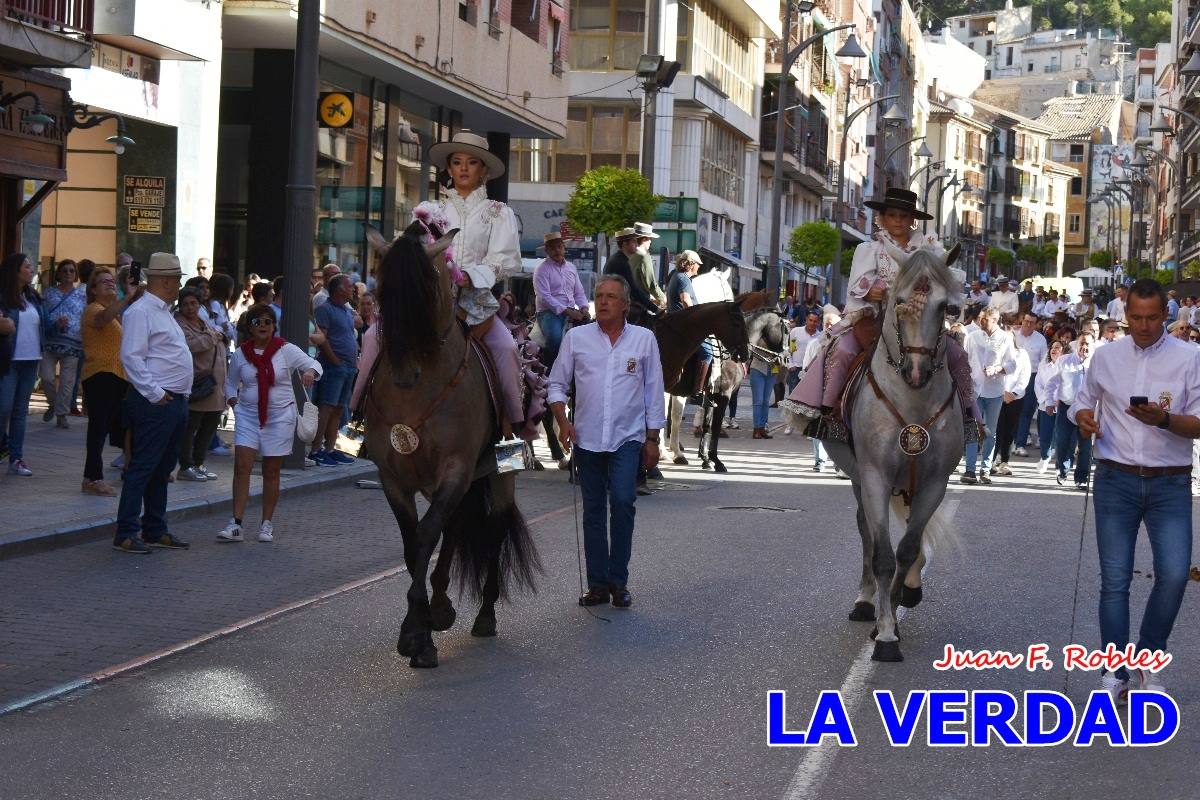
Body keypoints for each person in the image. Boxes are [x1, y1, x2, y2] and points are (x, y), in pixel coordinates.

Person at [1070, 279, 1200, 700]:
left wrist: (1162, 420)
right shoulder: (1106, 357)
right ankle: (1115, 671)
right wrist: (1084, 418)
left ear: (1167, 315)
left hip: (1171, 482)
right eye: (1136, 317)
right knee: (1115, 580)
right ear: (1126, 315)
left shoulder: (1191, 357)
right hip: (1116, 478)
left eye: (1152, 317)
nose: (1143, 326)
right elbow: (1082, 401)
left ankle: (1148, 657)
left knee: (1176, 575)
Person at [782, 188, 978, 433]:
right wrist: (880, 291)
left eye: (904, 216)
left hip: (922, 321)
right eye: (892, 215)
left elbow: (947, 280)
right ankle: (829, 414)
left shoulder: (930, 250)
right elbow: (858, 287)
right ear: (882, 218)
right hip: (874, 318)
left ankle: (969, 417)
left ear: (912, 220)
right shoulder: (869, 249)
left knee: (958, 354)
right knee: (842, 350)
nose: (898, 220)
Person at [547, 275, 665, 608]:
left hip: (628, 438)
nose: (602, 302)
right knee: (594, 511)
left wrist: (653, 438)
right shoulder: (576, 338)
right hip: (586, 439)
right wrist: (562, 421)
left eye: (611, 297)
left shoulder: (644, 340)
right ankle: (598, 585)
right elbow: (556, 384)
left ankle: (619, 581)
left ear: (625, 304)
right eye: (598, 296)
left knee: (624, 502)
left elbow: (654, 391)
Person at [428, 129, 524, 438]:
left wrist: (470, 276)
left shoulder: (498, 212)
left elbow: (503, 260)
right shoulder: (431, 212)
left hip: (477, 306)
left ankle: (509, 432)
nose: (464, 168)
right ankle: (360, 421)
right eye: (457, 162)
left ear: (483, 170)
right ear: (449, 169)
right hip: (431, 302)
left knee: (508, 350)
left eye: (472, 162)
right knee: (377, 336)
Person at [218, 303, 321, 543]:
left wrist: (309, 373)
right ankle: (236, 523)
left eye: (267, 321)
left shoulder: (286, 350)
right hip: (248, 417)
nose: (263, 326)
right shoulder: (242, 354)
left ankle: (266, 524)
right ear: (250, 327)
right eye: (257, 322)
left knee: (271, 470)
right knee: (242, 467)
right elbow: (230, 383)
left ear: (274, 326)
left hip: (279, 418)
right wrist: (234, 402)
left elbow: (315, 364)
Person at [114, 253, 193, 554]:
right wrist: (155, 393)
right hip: (156, 401)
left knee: (161, 468)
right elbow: (130, 357)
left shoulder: (160, 311)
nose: (179, 284)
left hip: (170, 399)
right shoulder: (142, 312)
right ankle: (127, 531)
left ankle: (154, 528)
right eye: (177, 279)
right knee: (145, 467)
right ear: (166, 281)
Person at [80, 268, 141, 495]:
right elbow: (101, 320)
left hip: (116, 377)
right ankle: (92, 478)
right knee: (98, 428)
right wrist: (127, 297)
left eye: (112, 281)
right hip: (99, 375)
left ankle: (130, 468)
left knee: (122, 425)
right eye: (103, 282)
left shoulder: (114, 313)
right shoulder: (93, 309)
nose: (110, 284)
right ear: (93, 289)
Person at [175, 287, 228, 482]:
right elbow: (191, 345)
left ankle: (199, 463)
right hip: (198, 384)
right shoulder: (178, 323)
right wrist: (213, 337)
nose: (190, 307)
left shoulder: (202, 320)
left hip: (215, 385)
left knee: (210, 427)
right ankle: (186, 466)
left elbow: (218, 334)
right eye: (186, 304)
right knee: (191, 428)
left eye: (194, 303)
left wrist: (215, 335)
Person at [961, 306, 1019, 484]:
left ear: (995, 320)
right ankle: (970, 470)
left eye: (984, 319)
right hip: (975, 391)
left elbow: (1012, 364)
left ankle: (985, 469)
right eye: (980, 318)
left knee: (990, 432)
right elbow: (965, 360)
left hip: (994, 391)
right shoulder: (972, 337)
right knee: (972, 429)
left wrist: (997, 369)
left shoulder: (1005, 338)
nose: (981, 321)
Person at [0, 253, 43, 475]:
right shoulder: (3, 298)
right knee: (3, 407)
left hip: (31, 359)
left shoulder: (33, 298)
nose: (31, 269)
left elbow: (42, 327)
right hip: (9, 361)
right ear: (15, 271)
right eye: (27, 266)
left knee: (19, 412)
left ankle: (16, 458)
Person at [309, 273, 359, 465]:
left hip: (348, 367)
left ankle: (330, 448)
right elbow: (322, 338)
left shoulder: (346, 311)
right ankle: (316, 449)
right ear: (339, 289)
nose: (352, 289)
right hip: (334, 367)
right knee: (327, 407)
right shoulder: (325, 309)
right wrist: (335, 360)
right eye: (349, 286)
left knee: (338, 409)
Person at [39, 259, 86, 430]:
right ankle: (53, 404)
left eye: (71, 271)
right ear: (58, 273)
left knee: (67, 382)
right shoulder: (48, 293)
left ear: (76, 275)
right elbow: (42, 317)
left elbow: (85, 319)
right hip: (50, 342)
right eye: (64, 270)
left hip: (73, 345)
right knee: (46, 377)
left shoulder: (82, 296)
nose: (68, 273)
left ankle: (61, 415)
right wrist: (55, 324)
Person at [533, 231, 590, 366]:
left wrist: (584, 307)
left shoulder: (571, 268)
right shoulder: (541, 269)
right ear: (547, 250)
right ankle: (549, 371)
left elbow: (579, 292)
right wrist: (568, 311)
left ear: (564, 248)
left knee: (592, 336)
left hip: (572, 310)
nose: (557, 250)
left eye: (559, 246)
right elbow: (544, 297)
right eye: (552, 248)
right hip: (548, 312)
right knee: (555, 338)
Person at [1049, 331, 1094, 488]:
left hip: (1087, 410)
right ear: (1077, 344)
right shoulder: (1064, 360)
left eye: (1088, 343)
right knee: (1063, 442)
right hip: (1066, 408)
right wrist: (1049, 401)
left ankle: (1081, 478)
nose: (1084, 346)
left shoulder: (1096, 364)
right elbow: (1052, 383)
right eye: (1082, 342)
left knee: (1085, 446)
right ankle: (1062, 470)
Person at [990, 321, 1032, 476]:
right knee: (996, 430)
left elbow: (1024, 376)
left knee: (1009, 431)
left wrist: (1013, 394)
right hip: (997, 396)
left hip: (1015, 398)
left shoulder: (1022, 354)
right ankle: (991, 461)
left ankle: (1004, 461)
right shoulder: (996, 354)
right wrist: (1002, 393)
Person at [1012, 311, 1048, 455]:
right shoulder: (1012, 335)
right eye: (1026, 321)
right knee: (1012, 411)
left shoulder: (1040, 339)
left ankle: (1020, 444)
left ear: (1036, 324)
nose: (1028, 324)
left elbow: (1043, 362)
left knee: (1026, 412)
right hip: (1013, 377)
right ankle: (1011, 441)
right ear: (1022, 321)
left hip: (1032, 377)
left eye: (1031, 322)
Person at [604, 228, 656, 311]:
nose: (636, 244)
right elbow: (633, 289)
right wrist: (655, 309)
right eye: (633, 241)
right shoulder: (621, 263)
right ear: (625, 244)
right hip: (616, 307)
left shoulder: (618, 259)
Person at [1033, 339, 1065, 474]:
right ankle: (1045, 457)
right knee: (1045, 434)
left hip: (1062, 406)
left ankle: (1060, 464)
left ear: (1063, 351)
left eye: (1058, 347)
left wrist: (1060, 400)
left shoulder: (1067, 366)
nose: (1054, 349)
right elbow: (1038, 384)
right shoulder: (1044, 366)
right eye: (1052, 347)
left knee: (1061, 436)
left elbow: (1068, 385)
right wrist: (1046, 400)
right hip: (1045, 405)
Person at [627, 222, 666, 311]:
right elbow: (650, 284)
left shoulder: (629, 254)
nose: (650, 242)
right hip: (640, 304)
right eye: (649, 239)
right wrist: (662, 298)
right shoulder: (643, 256)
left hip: (627, 301)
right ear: (644, 239)